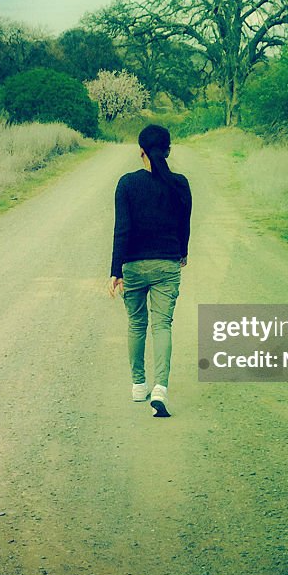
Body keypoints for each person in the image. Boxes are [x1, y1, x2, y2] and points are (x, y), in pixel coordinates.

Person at [108, 124, 192, 417]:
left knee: (136, 324)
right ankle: (161, 389)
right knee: (162, 325)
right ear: (168, 151)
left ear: (140, 151)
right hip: (167, 263)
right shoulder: (180, 183)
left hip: (133, 265)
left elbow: (122, 229)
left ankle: (138, 385)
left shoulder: (127, 184)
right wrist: (182, 253)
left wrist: (115, 271)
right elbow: (184, 225)